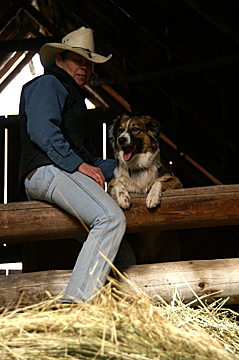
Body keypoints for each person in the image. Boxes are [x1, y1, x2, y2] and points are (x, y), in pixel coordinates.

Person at [18, 27, 135, 303]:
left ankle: (110, 319)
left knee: (124, 256)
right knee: (110, 219)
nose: (84, 67)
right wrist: (78, 166)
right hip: (46, 171)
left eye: (88, 63)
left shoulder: (74, 98)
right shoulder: (48, 85)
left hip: (64, 172)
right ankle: (75, 307)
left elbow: (90, 161)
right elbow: (42, 131)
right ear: (60, 60)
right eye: (77, 60)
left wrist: (129, 169)